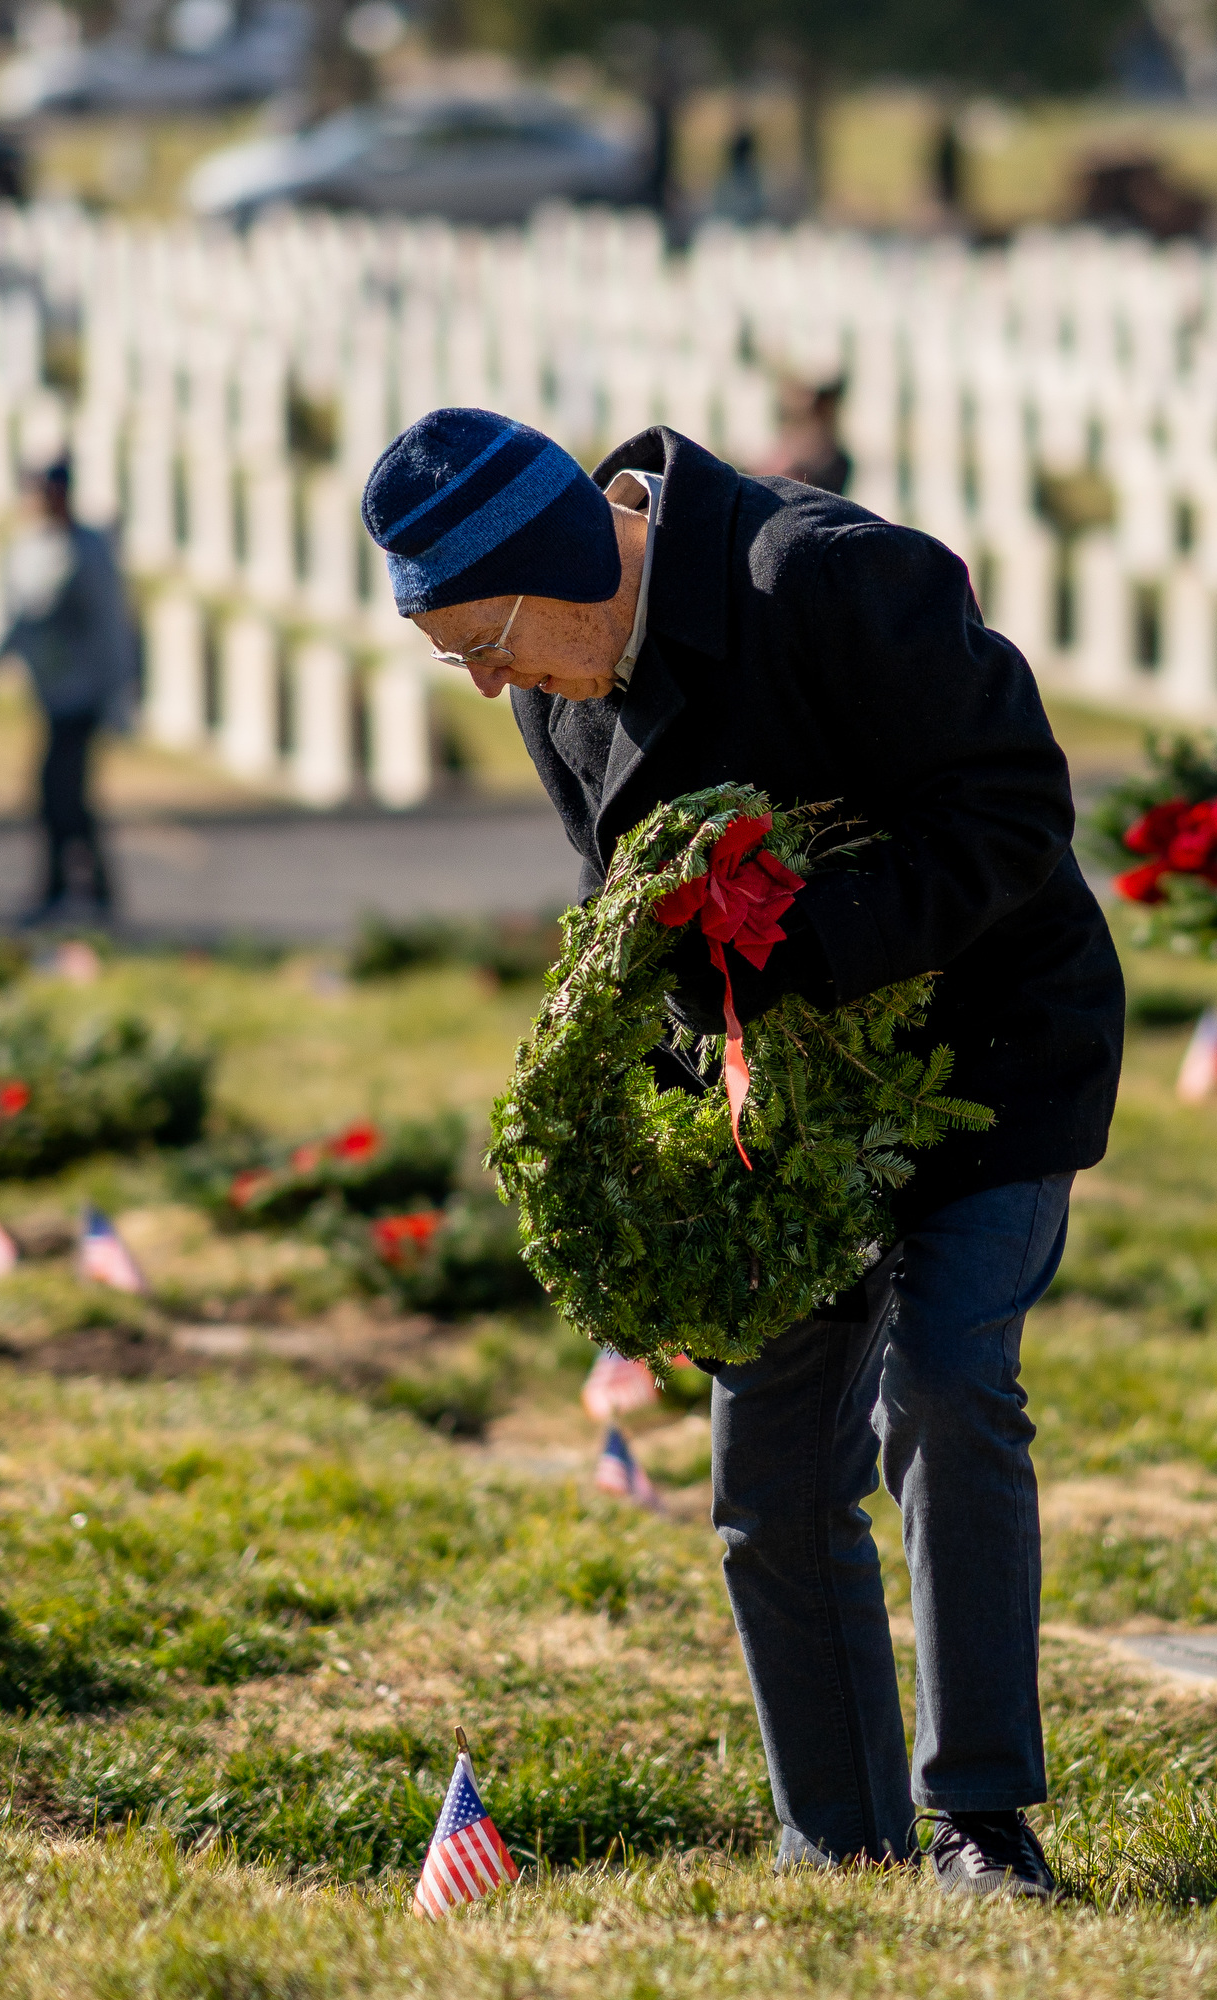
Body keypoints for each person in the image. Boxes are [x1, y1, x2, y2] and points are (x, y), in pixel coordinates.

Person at [360, 407, 1125, 1897]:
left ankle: (979, 1819)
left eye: (484, 642)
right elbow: (631, 911)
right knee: (767, 1472)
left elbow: (1014, 808)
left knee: (945, 1386)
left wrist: (804, 949)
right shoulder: (559, 691)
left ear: (565, 567)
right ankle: (839, 1841)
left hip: (991, 1054)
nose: (491, 679)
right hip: (780, 1110)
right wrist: (675, 1140)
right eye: (461, 660)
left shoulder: (827, 580)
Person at [0, 459, 136, 928]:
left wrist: (116, 699)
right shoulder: (30, 548)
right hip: (51, 692)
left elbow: (109, 627)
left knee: (60, 792)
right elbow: (19, 619)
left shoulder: (88, 550)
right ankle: (88, 890)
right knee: (62, 794)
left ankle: (70, 890)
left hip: (82, 695)